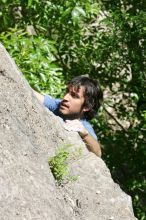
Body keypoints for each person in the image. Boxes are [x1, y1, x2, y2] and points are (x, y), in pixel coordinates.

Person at [33, 76, 103, 157]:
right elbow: (33, 94)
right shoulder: (58, 105)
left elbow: (98, 153)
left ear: (87, 106)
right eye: (67, 92)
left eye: (74, 96)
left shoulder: (84, 127)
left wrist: (85, 134)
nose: (65, 97)